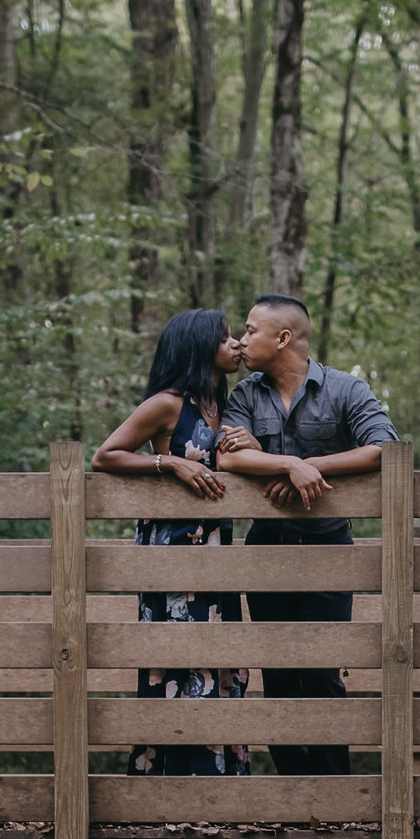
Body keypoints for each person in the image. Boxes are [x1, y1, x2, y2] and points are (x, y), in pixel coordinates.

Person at [214, 294, 395, 776]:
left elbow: (385, 447)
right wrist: (289, 463)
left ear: (284, 338)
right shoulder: (245, 395)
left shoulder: (346, 389)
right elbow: (229, 457)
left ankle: (333, 791)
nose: (241, 340)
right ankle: (294, 793)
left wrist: (307, 466)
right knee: (276, 672)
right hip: (265, 550)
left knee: (321, 670)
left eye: (251, 330)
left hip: (328, 549)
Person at [91, 307, 251, 777]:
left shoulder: (225, 406)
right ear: (201, 348)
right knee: (178, 659)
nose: (236, 345)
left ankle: (221, 784)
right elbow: (105, 455)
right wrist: (170, 464)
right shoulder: (167, 403)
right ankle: (167, 785)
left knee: (222, 661)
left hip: (218, 552)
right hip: (172, 552)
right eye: (226, 339)